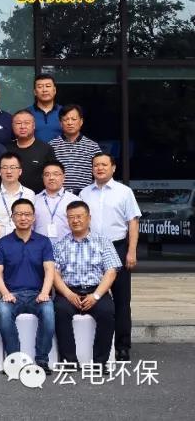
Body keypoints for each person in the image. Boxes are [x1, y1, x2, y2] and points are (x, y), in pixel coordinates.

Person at [80, 152, 140, 361]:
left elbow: (133, 222)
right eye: (96, 165)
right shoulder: (84, 193)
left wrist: (131, 251)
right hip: (92, 248)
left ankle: (122, 346)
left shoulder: (124, 192)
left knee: (122, 299)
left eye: (104, 165)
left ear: (113, 168)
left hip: (118, 246)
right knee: (94, 295)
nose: (100, 168)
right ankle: (94, 344)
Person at [52, 200, 121, 367]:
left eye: (79, 216)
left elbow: (111, 272)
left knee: (107, 313)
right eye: (71, 217)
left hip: (96, 290)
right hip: (69, 291)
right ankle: (69, 360)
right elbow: (54, 273)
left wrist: (96, 296)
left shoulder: (103, 241)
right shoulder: (60, 245)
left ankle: (100, 362)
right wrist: (68, 294)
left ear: (89, 218)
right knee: (60, 311)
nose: (75, 220)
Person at [0, 198, 56, 374]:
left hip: (38, 294)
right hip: (12, 294)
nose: (23, 218)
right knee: (4, 312)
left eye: (27, 214)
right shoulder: (2, 243)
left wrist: (45, 293)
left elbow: (49, 270)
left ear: (34, 217)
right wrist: (5, 293)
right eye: (19, 214)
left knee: (48, 313)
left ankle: (42, 360)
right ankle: (14, 360)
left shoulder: (43, 242)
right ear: (12, 217)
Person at [48, 104, 101, 192]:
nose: (70, 123)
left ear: (81, 122)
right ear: (60, 123)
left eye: (74, 119)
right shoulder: (51, 146)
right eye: (66, 119)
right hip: (59, 195)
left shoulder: (92, 146)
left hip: (84, 195)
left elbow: (100, 173)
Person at [7, 109, 57, 193]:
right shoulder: (6, 149)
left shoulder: (46, 149)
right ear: (12, 126)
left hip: (38, 197)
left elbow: (53, 175)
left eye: (27, 123)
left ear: (34, 125)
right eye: (18, 123)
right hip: (10, 196)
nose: (22, 126)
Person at [34, 161, 82, 243]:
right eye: (47, 175)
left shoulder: (75, 200)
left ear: (64, 177)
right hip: (40, 247)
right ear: (43, 178)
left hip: (67, 247)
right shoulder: (34, 200)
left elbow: (81, 228)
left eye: (56, 174)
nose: (51, 178)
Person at [0, 152, 32, 238]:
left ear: (20, 171)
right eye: (5, 167)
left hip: (24, 243)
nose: (9, 171)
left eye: (13, 167)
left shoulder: (30, 194)